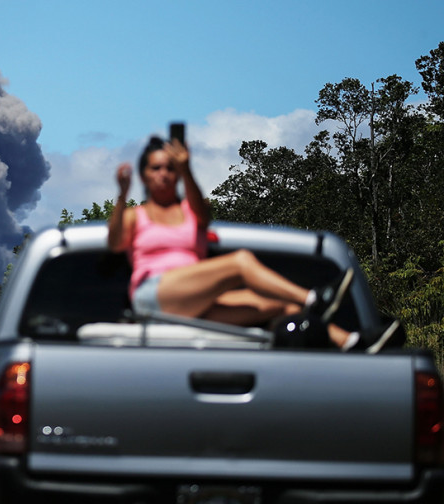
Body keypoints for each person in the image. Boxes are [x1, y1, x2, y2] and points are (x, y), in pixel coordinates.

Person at [107, 135, 397, 352]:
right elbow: (116, 243)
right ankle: (314, 299)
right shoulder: (135, 215)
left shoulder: (190, 212)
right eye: (156, 168)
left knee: (283, 306)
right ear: (144, 174)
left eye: (170, 168)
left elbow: (203, 216)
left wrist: (187, 168)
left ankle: (351, 342)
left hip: (194, 303)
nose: (164, 174)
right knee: (241, 261)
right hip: (154, 295)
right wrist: (122, 195)